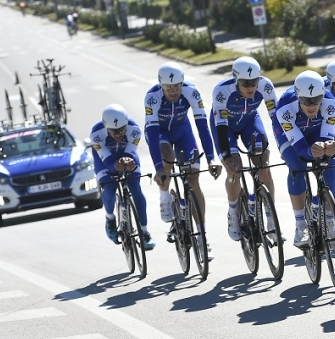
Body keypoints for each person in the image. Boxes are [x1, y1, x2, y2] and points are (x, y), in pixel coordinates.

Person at [144, 62, 222, 258]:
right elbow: (152, 134)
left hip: (182, 133)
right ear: (161, 85)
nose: (173, 91)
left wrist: (212, 159)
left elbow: (203, 127)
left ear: (182, 83)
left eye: (177, 86)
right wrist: (158, 168)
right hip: (159, 135)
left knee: (194, 181)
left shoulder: (192, 93)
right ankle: (164, 195)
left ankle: (201, 235)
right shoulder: (152, 98)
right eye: (168, 88)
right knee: (168, 157)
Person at [211, 56, 279, 242]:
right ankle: (233, 211)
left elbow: (277, 119)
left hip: (250, 121)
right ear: (235, 79)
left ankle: (271, 218)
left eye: (254, 82)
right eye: (245, 83)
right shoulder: (222, 91)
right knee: (236, 169)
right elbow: (221, 127)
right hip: (226, 128)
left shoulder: (266, 85)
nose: (251, 87)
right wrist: (226, 157)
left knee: (264, 165)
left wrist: (285, 146)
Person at [271, 70, 335, 248]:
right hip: (288, 135)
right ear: (297, 96)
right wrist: (311, 151)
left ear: (322, 95)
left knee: (331, 164)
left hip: (315, 131)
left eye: (316, 100)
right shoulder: (285, 107)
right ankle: (300, 224)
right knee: (297, 166)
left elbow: (327, 140)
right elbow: (301, 150)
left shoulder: (331, 103)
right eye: (305, 101)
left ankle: (330, 220)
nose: (311, 105)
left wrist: (329, 147)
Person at [90, 104, 155, 250]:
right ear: (106, 128)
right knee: (110, 187)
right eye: (114, 131)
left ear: (126, 124)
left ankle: (145, 232)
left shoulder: (134, 130)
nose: (119, 134)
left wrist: (128, 161)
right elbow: (107, 161)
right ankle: (110, 218)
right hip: (105, 159)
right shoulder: (96, 134)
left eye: (121, 129)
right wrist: (115, 167)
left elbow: (131, 151)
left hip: (126, 153)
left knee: (136, 189)